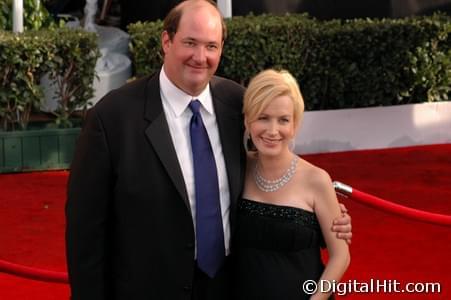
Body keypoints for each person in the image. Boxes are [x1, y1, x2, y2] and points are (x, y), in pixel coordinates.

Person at [65, 1, 352, 299]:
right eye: (190, 43)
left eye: (211, 46)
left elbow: (272, 172)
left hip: (229, 288)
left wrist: (324, 217)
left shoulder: (236, 104)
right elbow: (85, 232)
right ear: (167, 41)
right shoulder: (112, 117)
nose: (200, 57)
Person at [233, 69, 350, 300]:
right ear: (248, 119)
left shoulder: (316, 180)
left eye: (283, 120)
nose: (273, 130)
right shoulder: (236, 167)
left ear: (295, 124)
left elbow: (341, 256)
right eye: (263, 117)